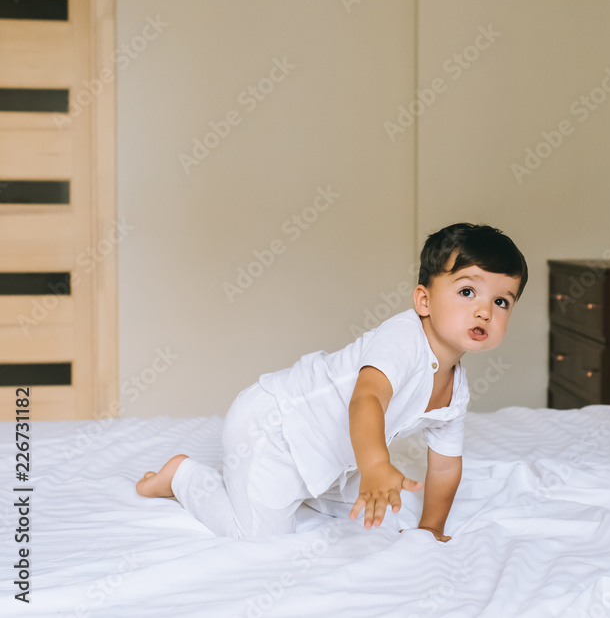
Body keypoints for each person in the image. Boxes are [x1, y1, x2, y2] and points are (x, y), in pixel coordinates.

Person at [136, 223, 527, 542]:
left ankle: (300, 491)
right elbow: (366, 400)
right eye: (467, 291)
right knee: (258, 540)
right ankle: (184, 476)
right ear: (423, 301)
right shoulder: (403, 338)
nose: (484, 311)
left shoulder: (456, 390)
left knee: (382, 518)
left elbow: (444, 467)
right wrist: (376, 465)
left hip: (329, 454)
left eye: (501, 301)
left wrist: (431, 529)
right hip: (274, 427)